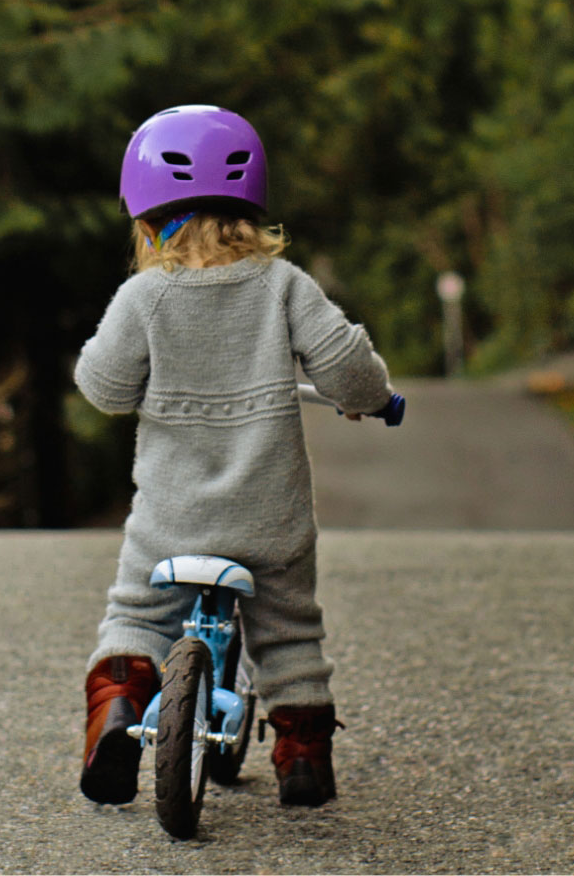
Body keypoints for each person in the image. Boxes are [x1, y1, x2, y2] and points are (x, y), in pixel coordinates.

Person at [74, 104, 393, 808]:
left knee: (136, 613)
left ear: (145, 214)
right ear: (251, 208)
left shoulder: (144, 297)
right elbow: (349, 371)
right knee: (287, 631)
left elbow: (102, 388)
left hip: (171, 522)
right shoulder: (285, 287)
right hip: (267, 520)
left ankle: (116, 714)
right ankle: (302, 754)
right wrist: (373, 398)